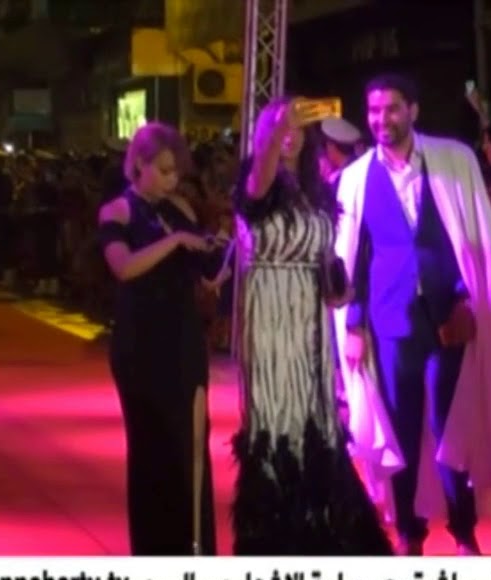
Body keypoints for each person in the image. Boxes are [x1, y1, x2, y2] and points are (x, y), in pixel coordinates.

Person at [334, 72, 491, 556]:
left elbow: (468, 238)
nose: (381, 119)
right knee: (401, 431)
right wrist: (354, 324)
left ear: (412, 110)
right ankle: (409, 533)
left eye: (391, 108)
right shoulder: (356, 178)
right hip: (390, 324)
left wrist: (467, 295)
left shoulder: (452, 162)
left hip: (449, 319)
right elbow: (353, 259)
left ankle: (464, 531)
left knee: (453, 428)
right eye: (374, 111)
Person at [230, 97, 392, 556]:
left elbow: (327, 257)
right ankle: (274, 539)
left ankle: (326, 530)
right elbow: (258, 188)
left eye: (298, 128)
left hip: (312, 321)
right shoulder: (254, 180)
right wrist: (276, 128)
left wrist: (338, 288)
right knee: (277, 418)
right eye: (280, 127)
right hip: (271, 316)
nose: (289, 135)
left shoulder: (316, 189)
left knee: (317, 418)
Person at [97, 123, 224, 556]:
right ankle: (155, 554)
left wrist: (219, 256)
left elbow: (204, 279)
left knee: (191, 446)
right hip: (141, 346)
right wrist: (175, 241)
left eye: (176, 172)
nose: (172, 180)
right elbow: (124, 267)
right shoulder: (118, 211)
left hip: (183, 340)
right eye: (165, 171)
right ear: (139, 164)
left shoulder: (181, 208)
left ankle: (194, 552)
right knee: (151, 450)